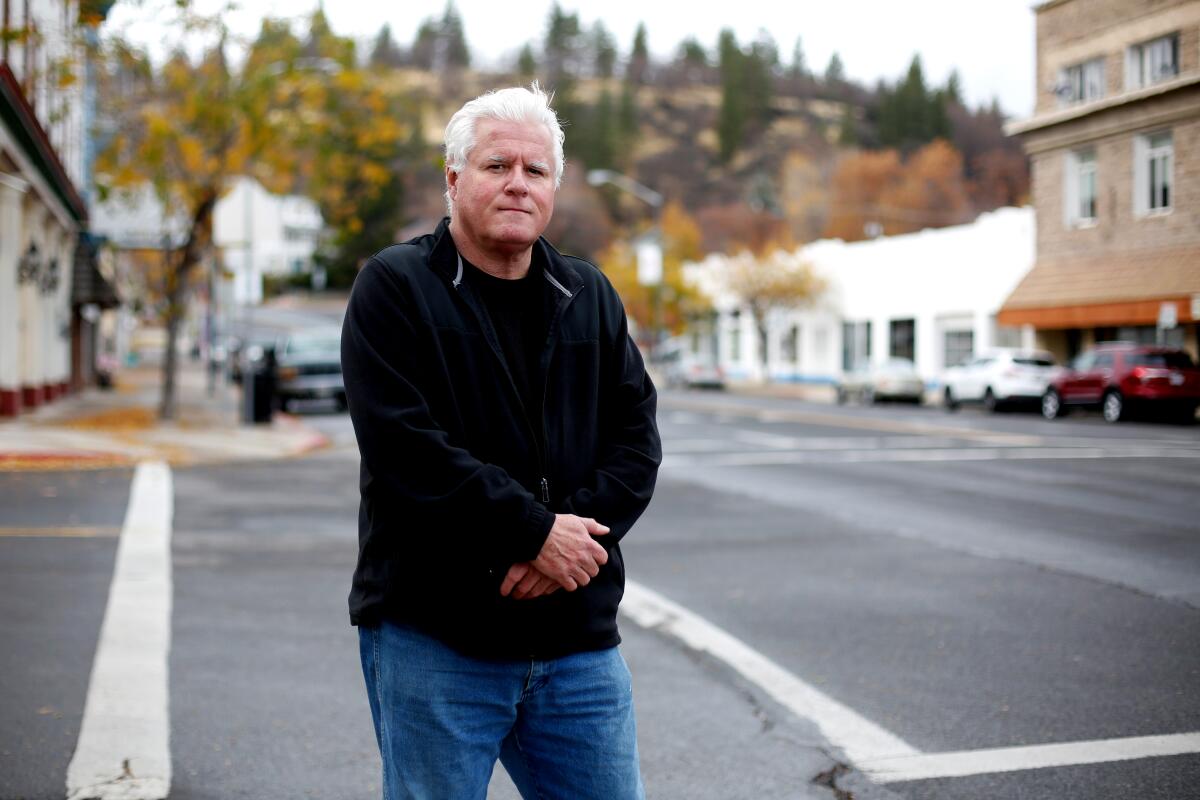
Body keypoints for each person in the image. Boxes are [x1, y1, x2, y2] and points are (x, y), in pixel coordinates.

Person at [340, 84, 661, 799]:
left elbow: (635, 442)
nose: (518, 182)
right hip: (436, 638)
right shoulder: (395, 288)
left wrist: (565, 547)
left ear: (554, 186)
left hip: (577, 643)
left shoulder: (590, 295)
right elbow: (405, 448)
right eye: (496, 165)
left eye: (535, 169)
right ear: (454, 179)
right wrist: (532, 532)